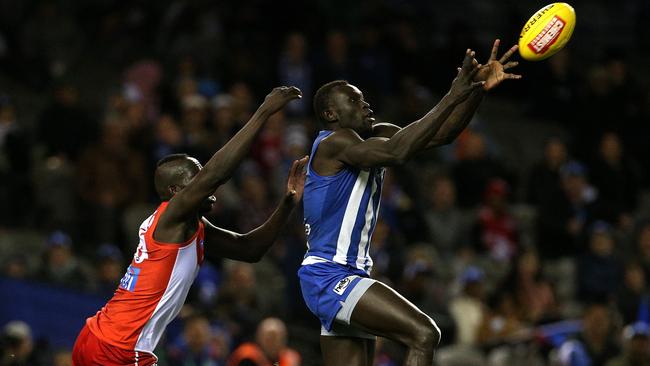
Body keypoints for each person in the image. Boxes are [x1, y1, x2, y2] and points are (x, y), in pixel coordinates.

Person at [299, 40, 521, 365]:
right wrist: (452, 94)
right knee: (424, 334)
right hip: (329, 276)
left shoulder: (375, 135)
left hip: (347, 274)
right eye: (354, 101)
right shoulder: (333, 143)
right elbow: (397, 153)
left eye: (365, 100)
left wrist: (475, 90)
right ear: (331, 113)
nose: (366, 106)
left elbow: (441, 134)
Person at [72, 86, 306, 365]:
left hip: (101, 337)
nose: (206, 185)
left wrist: (288, 203)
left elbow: (250, 249)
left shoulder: (191, 227)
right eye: (195, 180)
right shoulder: (171, 217)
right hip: (119, 347)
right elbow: (216, 173)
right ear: (174, 192)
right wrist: (264, 111)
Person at [227, 317, 301, 366]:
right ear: (259, 337)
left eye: (278, 337)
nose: (274, 342)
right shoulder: (247, 357)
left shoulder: (289, 358)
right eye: (270, 337)